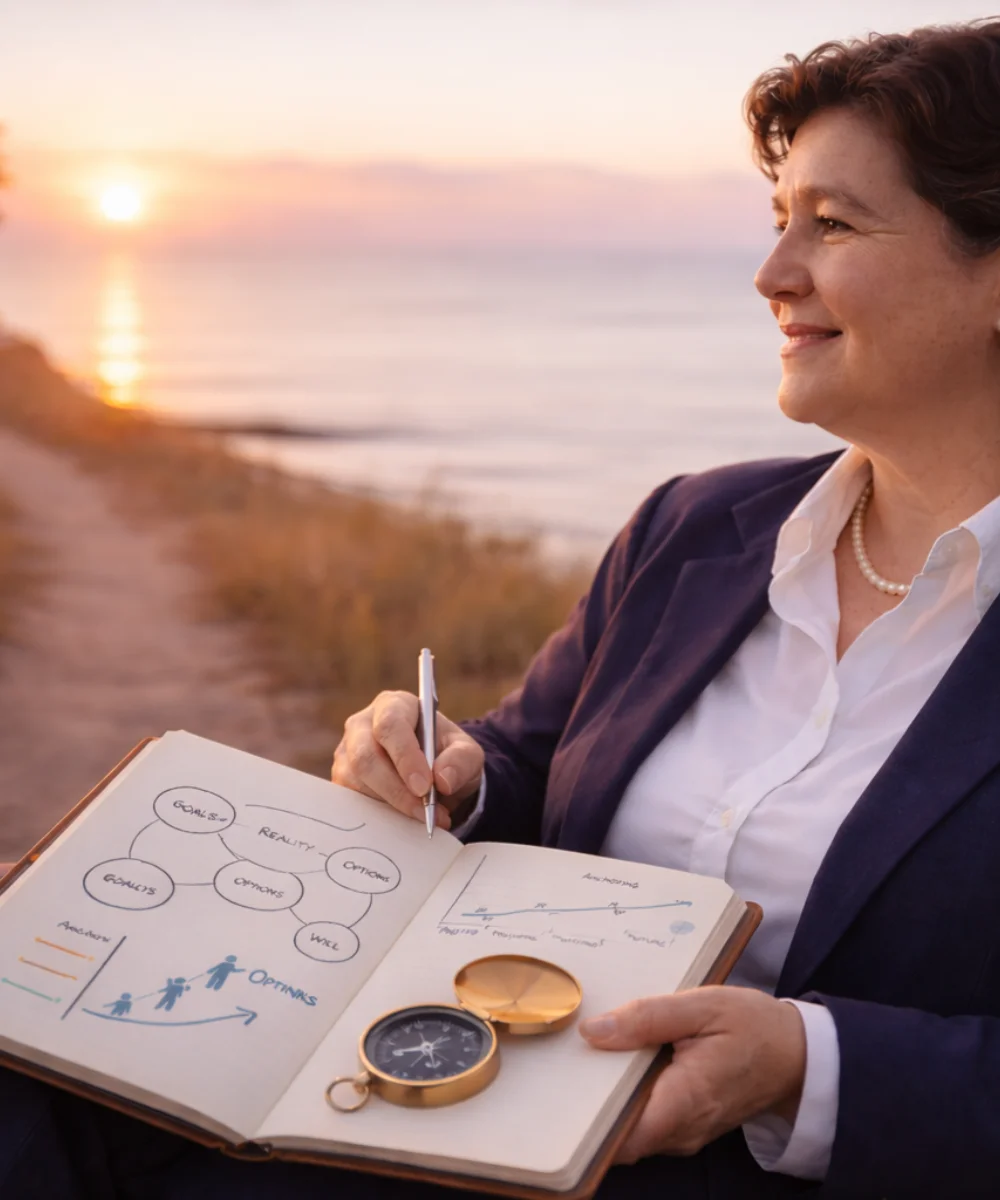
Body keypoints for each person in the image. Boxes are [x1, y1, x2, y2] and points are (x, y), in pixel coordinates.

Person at [3, 17, 1000, 1200]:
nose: (772, 272)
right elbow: (528, 763)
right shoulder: (697, 528)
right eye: (776, 220)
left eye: (830, 225)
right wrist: (455, 778)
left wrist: (804, 1067)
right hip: (476, 1102)